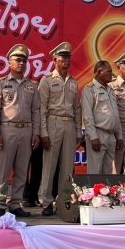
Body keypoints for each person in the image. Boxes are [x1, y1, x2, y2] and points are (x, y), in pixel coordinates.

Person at [0, 44, 40, 217]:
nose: (21, 63)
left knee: (21, 170)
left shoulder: (32, 85)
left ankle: (16, 203)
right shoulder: (1, 83)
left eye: (24, 61)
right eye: (17, 60)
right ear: (9, 62)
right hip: (7, 129)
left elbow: (36, 110)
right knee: (3, 169)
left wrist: (36, 133)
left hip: (26, 130)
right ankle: (0, 204)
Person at [38, 42, 82, 216]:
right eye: (62, 57)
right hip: (53, 122)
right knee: (49, 165)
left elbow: (77, 108)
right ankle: (46, 201)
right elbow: (42, 107)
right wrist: (43, 132)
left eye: (68, 57)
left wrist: (79, 131)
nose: (66, 60)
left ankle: (63, 202)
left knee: (67, 167)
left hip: (69, 123)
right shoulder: (47, 80)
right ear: (55, 59)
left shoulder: (73, 82)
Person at [82, 60, 123, 175]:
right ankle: (93, 194)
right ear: (100, 72)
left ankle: (106, 194)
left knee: (108, 174)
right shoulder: (89, 89)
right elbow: (87, 116)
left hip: (111, 136)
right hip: (98, 135)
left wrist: (119, 136)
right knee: (95, 172)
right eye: (109, 71)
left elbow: (116, 114)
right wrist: (93, 137)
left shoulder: (110, 89)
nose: (112, 74)